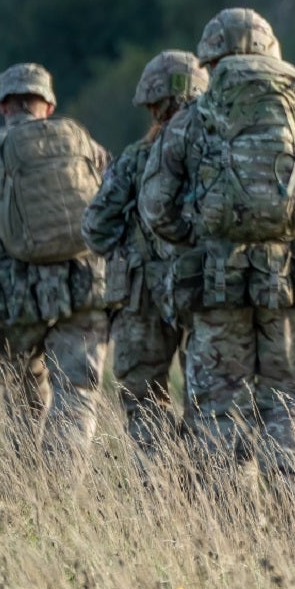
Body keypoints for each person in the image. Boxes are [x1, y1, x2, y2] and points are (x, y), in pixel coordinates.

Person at [138, 8, 295, 506]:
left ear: (211, 61)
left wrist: (197, 241)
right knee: (291, 403)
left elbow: (154, 205)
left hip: (216, 286)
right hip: (293, 287)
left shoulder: (192, 120)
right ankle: (292, 514)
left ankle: (233, 531)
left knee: (219, 413)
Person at [0, 63, 110, 470]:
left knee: (23, 392)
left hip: (13, 298)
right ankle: (60, 489)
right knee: (77, 394)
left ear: (3, 105)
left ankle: (25, 481)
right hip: (83, 289)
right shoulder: (84, 145)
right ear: (49, 106)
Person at [83, 50, 208, 463]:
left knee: (144, 402)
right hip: (206, 290)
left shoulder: (138, 157)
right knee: (210, 403)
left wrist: (130, 245)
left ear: (160, 106)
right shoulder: (217, 154)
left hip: (143, 296)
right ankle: (206, 484)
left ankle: (159, 485)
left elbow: (95, 227)